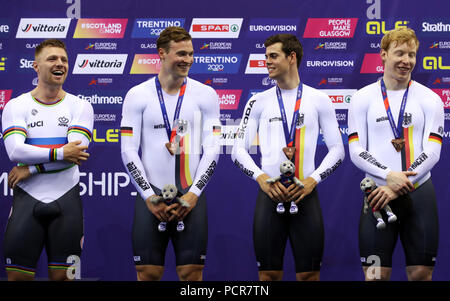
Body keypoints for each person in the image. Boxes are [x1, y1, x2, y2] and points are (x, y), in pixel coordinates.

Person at [231, 34, 344, 281]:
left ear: (291, 57)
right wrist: (260, 178)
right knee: (268, 276)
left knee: (309, 276)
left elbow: (338, 150)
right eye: (266, 57)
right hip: (269, 195)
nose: (267, 62)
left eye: (273, 56)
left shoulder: (319, 99)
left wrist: (313, 180)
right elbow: (237, 150)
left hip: (306, 194)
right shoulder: (257, 101)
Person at [120, 26, 221, 281]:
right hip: (150, 195)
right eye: (181, 54)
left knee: (191, 274)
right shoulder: (137, 95)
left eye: (190, 54)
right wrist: (147, 195)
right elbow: (128, 150)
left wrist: (194, 193)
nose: (187, 60)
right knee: (148, 273)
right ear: (162, 54)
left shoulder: (206, 94)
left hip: (190, 194)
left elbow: (212, 148)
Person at [348, 27, 444, 281]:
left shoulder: (431, 99)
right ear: (383, 55)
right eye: (399, 53)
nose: (406, 60)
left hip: (419, 192)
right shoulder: (361, 98)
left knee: (421, 274)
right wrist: (388, 176)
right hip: (378, 194)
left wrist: (400, 184)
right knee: (376, 276)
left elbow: (432, 151)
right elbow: (356, 150)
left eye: (411, 54)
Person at [1, 39, 93, 281]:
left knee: (66, 280)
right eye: (52, 59)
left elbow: (77, 155)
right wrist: (60, 152)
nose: (59, 63)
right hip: (26, 202)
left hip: (67, 203)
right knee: (17, 279)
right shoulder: (16, 105)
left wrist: (32, 168)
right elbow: (15, 152)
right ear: (36, 66)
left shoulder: (81, 106)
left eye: (64, 59)